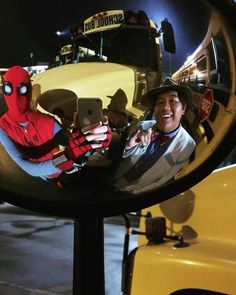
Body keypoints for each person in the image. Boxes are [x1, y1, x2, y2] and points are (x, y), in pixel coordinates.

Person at [0, 65, 111, 187]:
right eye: (8, 88)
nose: (15, 97)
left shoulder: (47, 122)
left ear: (29, 91)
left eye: (22, 90)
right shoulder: (2, 127)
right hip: (47, 175)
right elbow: (26, 165)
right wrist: (67, 157)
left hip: (57, 174)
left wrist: (93, 142)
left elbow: (75, 146)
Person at [114, 77, 196, 194]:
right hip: (113, 181)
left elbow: (162, 181)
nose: (165, 107)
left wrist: (133, 196)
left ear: (183, 109)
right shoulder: (142, 125)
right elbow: (118, 158)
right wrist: (128, 146)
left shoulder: (187, 144)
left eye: (172, 101)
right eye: (160, 102)